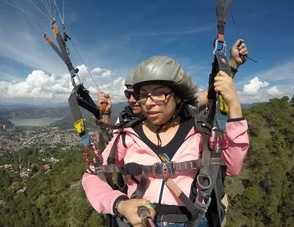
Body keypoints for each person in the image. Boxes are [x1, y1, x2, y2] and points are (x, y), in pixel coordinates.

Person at [83, 55, 249, 227]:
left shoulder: (199, 133)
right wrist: (120, 204)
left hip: (191, 219)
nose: (148, 103)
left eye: (158, 94)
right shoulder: (127, 135)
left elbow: (232, 167)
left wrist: (234, 106)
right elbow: (93, 176)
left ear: (178, 97)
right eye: (143, 95)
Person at [97, 39, 248, 122]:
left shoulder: (174, 107)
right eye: (128, 94)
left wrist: (232, 64)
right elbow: (109, 154)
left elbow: (212, 91)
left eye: (137, 94)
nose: (132, 100)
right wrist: (106, 114)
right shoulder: (124, 120)